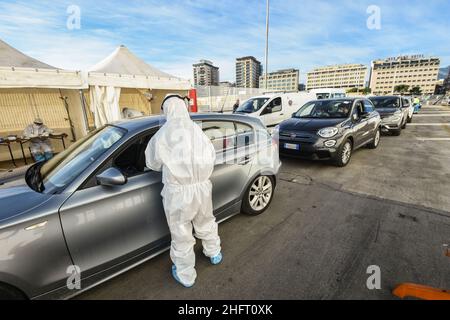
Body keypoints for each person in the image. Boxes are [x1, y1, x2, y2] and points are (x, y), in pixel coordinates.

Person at [145, 94, 222, 288]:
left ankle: (186, 274)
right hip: (203, 188)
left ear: (167, 110)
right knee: (206, 220)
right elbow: (211, 155)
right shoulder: (197, 130)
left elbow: (152, 163)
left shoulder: (163, 133)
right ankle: (213, 252)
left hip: (179, 193)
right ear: (183, 107)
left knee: (181, 232)